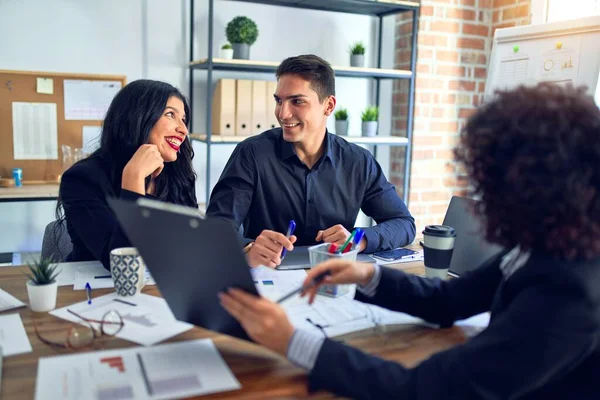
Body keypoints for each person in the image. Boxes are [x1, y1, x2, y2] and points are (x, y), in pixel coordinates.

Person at [219, 83, 600, 399]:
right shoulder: (549, 246)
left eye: (494, 186)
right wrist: (363, 276)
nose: (485, 199)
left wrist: (290, 341)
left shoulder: (571, 290)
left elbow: (420, 390)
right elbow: (449, 299)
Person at [206, 54, 415, 268]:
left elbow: (403, 224)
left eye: (297, 101)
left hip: (332, 282)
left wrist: (359, 240)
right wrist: (248, 249)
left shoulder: (358, 162)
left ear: (329, 105)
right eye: (279, 101)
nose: (283, 113)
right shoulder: (250, 154)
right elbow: (216, 230)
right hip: (268, 282)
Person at [57, 79, 197, 270]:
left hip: (160, 288)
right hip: (95, 291)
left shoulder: (177, 176)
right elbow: (122, 264)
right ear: (137, 117)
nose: (183, 129)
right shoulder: (82, 179)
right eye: (170, 114)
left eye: (183, 119)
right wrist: (134, 177)